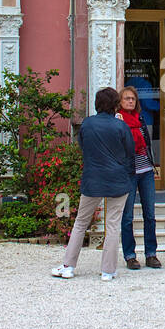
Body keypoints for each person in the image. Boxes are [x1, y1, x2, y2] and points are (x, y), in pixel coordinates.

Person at [51, 87, 134, 282]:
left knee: (81, 222)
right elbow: (130, 152)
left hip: (93, 178)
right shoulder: (121, 126)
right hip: (117, 179)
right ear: (115, 105)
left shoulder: (87, 124)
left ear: (97, 104)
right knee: (113, 225)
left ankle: (68, 266)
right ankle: (108, 270)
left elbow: (82, 147)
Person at [116, 85, 161, 270]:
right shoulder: (118, 120)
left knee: (150, 214)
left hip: (146, 171)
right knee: (127, 217)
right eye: (126, 98)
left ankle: (151, 254)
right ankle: (130, 255)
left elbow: (147, 143)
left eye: (133, 99)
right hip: (128, 173)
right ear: (120, 101)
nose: (130, 101)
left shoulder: (140, 119)